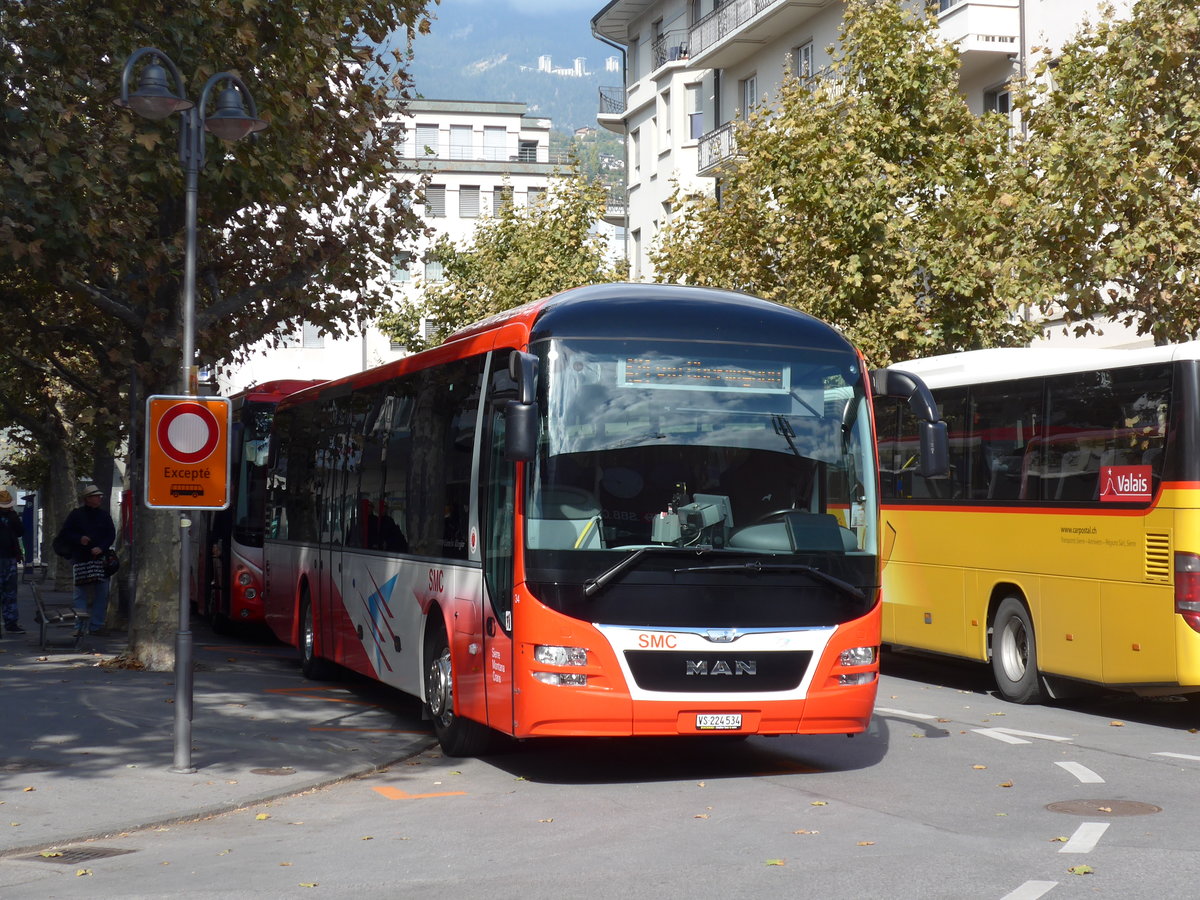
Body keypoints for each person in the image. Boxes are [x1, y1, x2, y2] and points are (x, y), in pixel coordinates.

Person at [58, 484, 117, 636]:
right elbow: (65, 533)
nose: (99, 498)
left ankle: (96, 625)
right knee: (80, 594)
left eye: (99, 496)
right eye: (96, 496)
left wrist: (101, 548)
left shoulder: (104, 515)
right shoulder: (76, 515)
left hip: (100, 559)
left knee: (101, 594)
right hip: (81, 558)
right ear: (87, 499)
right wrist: (79, 539)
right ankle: (80, 626)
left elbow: (111, 534)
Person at [0, 489, 25, 635]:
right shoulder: (11, 515)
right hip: (8, 557)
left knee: (10, 592)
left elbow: (21, 531)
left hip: (9, 557)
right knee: (9, 592)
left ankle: (11, 622)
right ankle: (10, 622)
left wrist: (13, 517)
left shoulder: (12, 516)